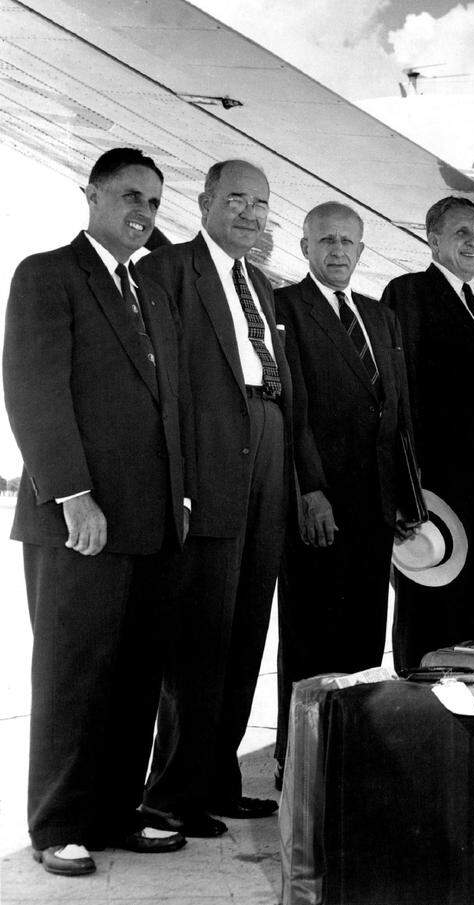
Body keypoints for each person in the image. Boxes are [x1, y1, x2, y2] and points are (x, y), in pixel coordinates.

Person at [3, 148, 188, 874]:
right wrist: (73, 494)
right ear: (92, 196)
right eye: (129, 198)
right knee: (73, 673)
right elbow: (33, 390)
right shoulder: (47, 274)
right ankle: (58, 823)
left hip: (147, 519)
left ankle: (113, 811)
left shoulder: (147, 292)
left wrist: (179, 493)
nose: (142, 213)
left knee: (135, 673)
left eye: (152, 202)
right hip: (78, 519)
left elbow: (165, 407)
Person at [139, 159, 291, 837]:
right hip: (210, 459)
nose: (250, 213)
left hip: (266, 444)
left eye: (260, 203)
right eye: (235, 199)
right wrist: (180, 480)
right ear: (202, 203)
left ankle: (216, 777)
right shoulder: (169, 272)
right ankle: (170, 793)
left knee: (245, 629)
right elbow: (161, 386)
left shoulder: (257, 281)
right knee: (199, 638)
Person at [272, 202, 419, 775]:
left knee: (363, 637)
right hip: (321, 504)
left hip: (376, 506)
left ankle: (349, 751)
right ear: (304, 246)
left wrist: (408, 496)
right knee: (310, 636)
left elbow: (399, 413)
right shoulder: (286, 307)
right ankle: (297, 757)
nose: (337, 252)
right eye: (326, 241)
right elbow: (295, 410)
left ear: (362, 251)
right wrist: (309, 489)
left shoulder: (380, 318)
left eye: (347, 243)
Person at [382, 197, 474, 669]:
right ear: (432, 239)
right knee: (428, 611)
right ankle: (418, 704)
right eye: (460, 232)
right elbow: (400, 393)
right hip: (435, 491)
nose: (472, 241)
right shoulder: (411, 292)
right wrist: (405, 484)